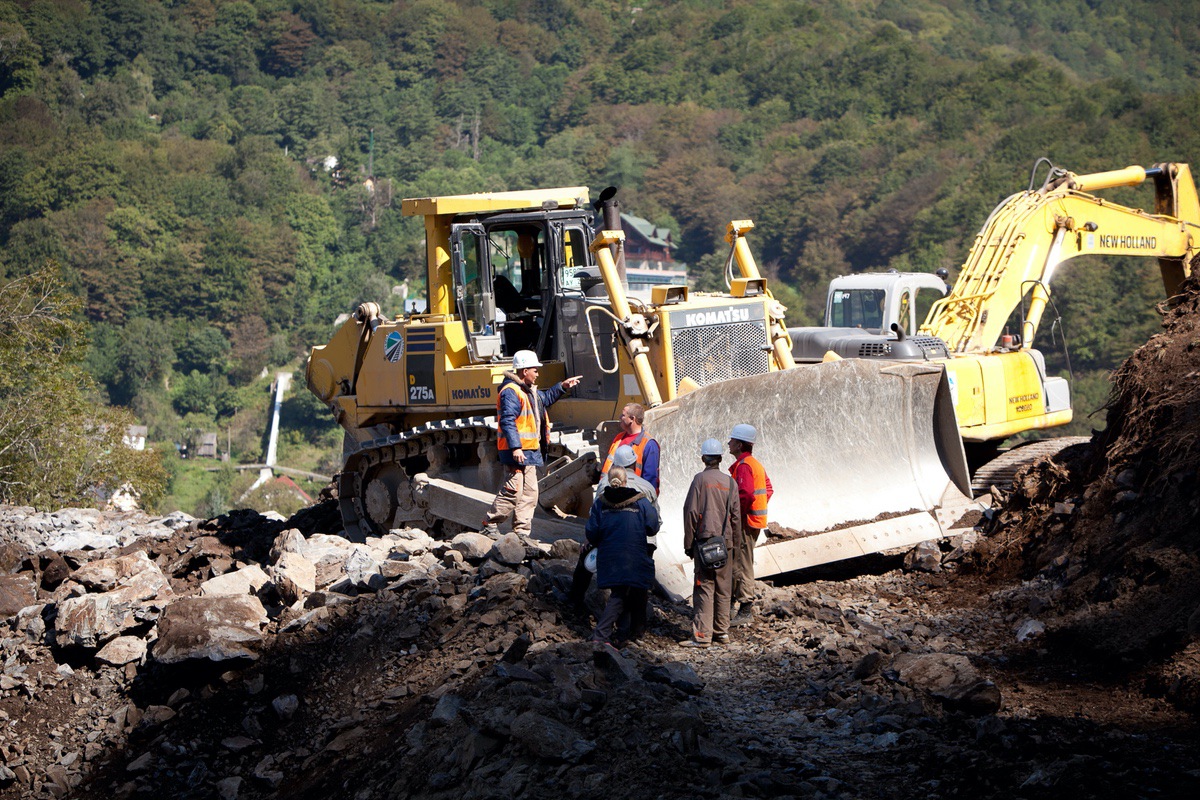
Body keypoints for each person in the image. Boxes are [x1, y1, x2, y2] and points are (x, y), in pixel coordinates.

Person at [482, 350, 581, 536]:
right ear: (524, 370)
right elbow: (507, 421)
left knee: (529, 494)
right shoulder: (511, 392)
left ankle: (522, 533)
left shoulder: (529, 391)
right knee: (514, 490)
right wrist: (516, 447)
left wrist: (562, 386)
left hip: (530, 451)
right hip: (518, 452)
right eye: (534, 369)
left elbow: (546, 399)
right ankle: (490, 524)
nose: (537, 373)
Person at [568, 444, 658, 613]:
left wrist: (589, 542)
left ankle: (574, 603)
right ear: (634, 464)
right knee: (639, 584)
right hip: (642, 544)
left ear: (616, 466)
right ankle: (636, 627)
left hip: (611, 542)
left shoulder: (604, 486)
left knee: (585, 565)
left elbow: (595, 519)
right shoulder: (647, 487)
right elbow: (654, 523)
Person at [585, 465, 660, 645]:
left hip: (609, 557)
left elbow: (592, 533)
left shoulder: (601, 503)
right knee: (620, 594)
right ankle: (601, 635)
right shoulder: (640, 501)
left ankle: (622, 634)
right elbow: (653, 527)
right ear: (626, 479)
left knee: (621, 591)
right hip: (634, 555)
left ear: (610, 480)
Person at [680, 438, 740, 648]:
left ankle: (703, 636)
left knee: (704, 588)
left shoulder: (699, 480)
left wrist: (689, 543)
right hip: (726, 544)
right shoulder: (730, 482)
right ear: (721, 458)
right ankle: (722, 632)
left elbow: (690, 513)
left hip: (704, 543)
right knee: (724, 588)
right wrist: (735, 546)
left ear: (703, 458)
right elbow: (735, 516)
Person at [728, 423, 773, 627]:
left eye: (732, 440)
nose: (728, 443)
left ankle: (745, 607)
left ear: (739, 444)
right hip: (752, 521)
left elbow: (744, 494)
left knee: (742, 565)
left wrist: (737, 516)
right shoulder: (754, 464)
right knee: (742, 561)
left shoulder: (745, 466)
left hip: (745, 523)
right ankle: (734, 604)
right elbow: (768, 488)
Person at [600, 403, 660, 492]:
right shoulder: (618, 438)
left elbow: (650, 480)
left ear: (632, 419)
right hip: (611, 494)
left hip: (634, 497)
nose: (620, 417)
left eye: (623, 415)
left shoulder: (649, 444)